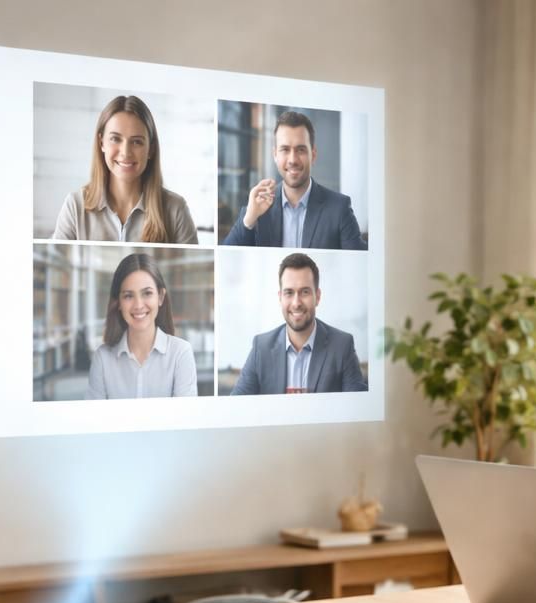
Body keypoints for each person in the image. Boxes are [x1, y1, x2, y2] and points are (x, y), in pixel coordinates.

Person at [53, 95, 199, 244]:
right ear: (101, 143)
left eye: (137, 142)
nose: (125, 152)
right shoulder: (75, 206)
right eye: (115, 139)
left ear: (151, 149)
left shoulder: (176, 210)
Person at [221, 110, 366, 250]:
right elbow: (226, 256)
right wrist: (249, 220)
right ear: (275, 155)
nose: (293, 160)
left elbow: (361, 261)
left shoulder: (339, 208)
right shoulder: (257, 207)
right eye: (285, 149)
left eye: (301, 150)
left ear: (313, 155)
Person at [230, 253, 367, 395]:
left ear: (317, 296)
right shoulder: (261, 347)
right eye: (289, 293)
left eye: (305, 292)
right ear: (280, 298)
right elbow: (237, 403)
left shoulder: (342, 346)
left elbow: (358, 405)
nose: (296, 303)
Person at [86, 253, 198, 400]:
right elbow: (95, 414)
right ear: (118, 302)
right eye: (128, 296)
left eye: (147, 293)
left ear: (160, 296)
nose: (138, 305)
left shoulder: (180, 353)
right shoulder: (102, 359)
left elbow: (185, 414)